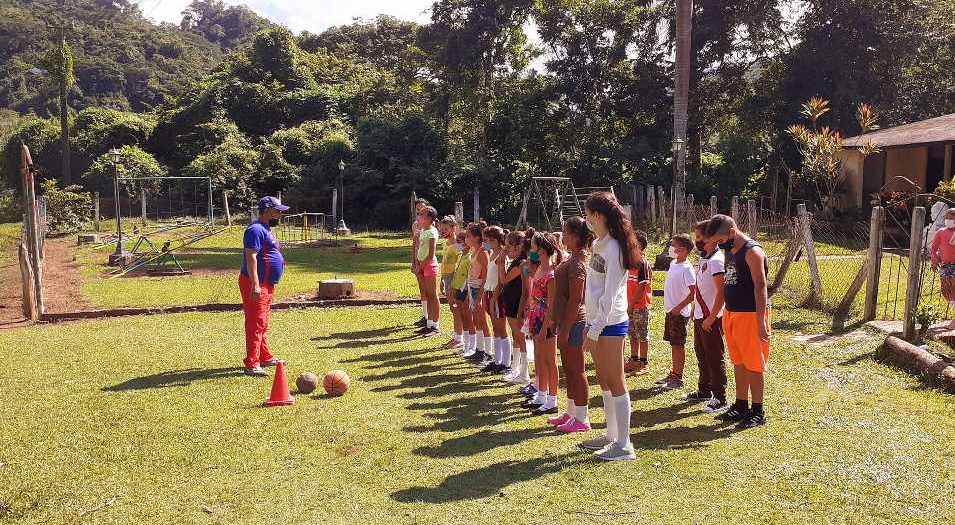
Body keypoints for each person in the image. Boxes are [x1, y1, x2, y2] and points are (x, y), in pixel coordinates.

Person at [579, 192, 639, 461]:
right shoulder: (598, 244)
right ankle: (611, 434)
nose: (586, 219)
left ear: (598, 216)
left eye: (588, 213)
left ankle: (624, 444)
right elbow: (593, 288)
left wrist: (594, 329)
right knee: (603, 379)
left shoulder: (614, 247)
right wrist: (589, 323)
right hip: (596, 321)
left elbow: (611, 293)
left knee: (616, 380)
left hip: (610, 323)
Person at [705, 214, 770, 429]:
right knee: (738, 361)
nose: (719, 245)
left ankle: (758, 410)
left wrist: (761, 321)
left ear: (732, 232)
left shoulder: (752, 252)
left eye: (720, 241)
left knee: (753, 363)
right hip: (732, 314)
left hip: (750, 315)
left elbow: (760, 287)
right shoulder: (730, 250)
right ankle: (741, 404)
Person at [549, 216, 594, 433]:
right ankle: (570, 412)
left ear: (576, 236)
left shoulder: (579, 263)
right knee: (568, 368)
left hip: (574, 322)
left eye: (566, 232)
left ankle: (582, 418)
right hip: (565, 321)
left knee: (577, 370)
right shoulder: (572, 258)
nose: (563, 235)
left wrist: (566, 328)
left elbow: (576, 299)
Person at [239, 196, 288, 377]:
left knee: (263, 322)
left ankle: (264, 356)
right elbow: (251, 257)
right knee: (255, 323)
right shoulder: (255, 229)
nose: (280, 213)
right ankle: (252, 363)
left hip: (267, 283)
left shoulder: (266, 228)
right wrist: (255, 285)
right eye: (277, 210)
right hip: (256, 283)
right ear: (267, 211)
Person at [686, 220, 728, 413]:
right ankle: (704, 389)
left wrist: (712, 316)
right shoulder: (705, 258)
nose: (697, 241)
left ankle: (720, 397)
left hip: (711, 316)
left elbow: (721, 292)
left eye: (699, 237)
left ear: (711, 238)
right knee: (701, 354)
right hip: (700, 314)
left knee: (714, 356)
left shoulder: (717, 260)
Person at [522, 232, 563, 416]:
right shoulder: (539, 269)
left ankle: (552, 399)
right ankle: (541, 394)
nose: (531, 251)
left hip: (545, 320)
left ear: (543, 250)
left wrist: (545, 326)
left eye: (534, 247)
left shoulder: (551, 275)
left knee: (549, 360)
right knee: (539, 358)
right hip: (535, 317)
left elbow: (552, 304)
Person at [655, 234, 697, 390]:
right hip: (671, 311)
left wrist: (680, 307)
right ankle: (673, 373)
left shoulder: (687, 269)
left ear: (683, 250)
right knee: (673, 344)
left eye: (673, 245)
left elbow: (693, 292)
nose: (670, 247)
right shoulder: (673, 263)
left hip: (679, 313)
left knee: (678, 344)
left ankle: (678, 378)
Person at [501, 229, 532, 382]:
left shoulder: (521, 264)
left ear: (518, 247)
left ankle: (524, 372)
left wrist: (500, 262)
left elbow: (504, 279)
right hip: (512, 302)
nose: (505, 251)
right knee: (516, 336)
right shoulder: (516, 262)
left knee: (520, 336)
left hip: (517, 304)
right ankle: (515, 367)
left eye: (508, 247)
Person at [481, 226, 510, 372]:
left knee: (501, 328)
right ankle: (497, 360)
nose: (484, 243)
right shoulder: (492, 253)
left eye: (487, 240)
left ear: (495, 240)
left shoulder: (501, 256)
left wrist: (494, 298)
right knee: (495, 328)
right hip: (488, 291)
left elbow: (501, 280)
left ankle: (506, 363)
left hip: (496, 294)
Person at [624, 230, 652, 377]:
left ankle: (644, 363)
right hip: (629, 306)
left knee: (642, 335)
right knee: (632, 335)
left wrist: (632, 304)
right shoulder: (630, 263)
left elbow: (642, 287)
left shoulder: (643, 264)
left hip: (640, 306)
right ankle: (634, 360)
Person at [465, 222, 492, 363]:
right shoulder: (473, 251)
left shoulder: (483, 253)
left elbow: (485, 276)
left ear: (476, 238)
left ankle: (488, 352)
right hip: (472, 287)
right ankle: (480, 349)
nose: (466, 239)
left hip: (479, 289)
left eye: (468, 236)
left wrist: (481, 295)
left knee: (483, 320)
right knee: (476, 320)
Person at [414, 205, 441, 337]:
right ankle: (429, 324)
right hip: (423, 265)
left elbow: (431, 255)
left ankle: (435, 326)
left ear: (429, 218)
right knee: (428, 295)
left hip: (429, 266)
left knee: (433, 295)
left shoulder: (432, 232)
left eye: (421, 214)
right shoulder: (423, 231)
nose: (418, 216)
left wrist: (420, 266)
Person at [438, 216, 463, 349]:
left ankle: (459, 338)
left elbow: (462, 261)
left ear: (454, 228)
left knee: (456, 308)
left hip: (454, 278)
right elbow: (444, 263)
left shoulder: (458, 244)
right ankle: (456, 336)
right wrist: (441, 279)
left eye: (446, 229)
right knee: (452, 309)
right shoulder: (446, 243)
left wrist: (455, 282)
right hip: (446, 277)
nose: (443, 232)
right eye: (442, 229)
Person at [451, 231, 477, 356]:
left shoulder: (470, 257)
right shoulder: (462, 255)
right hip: (458, 289)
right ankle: (466, 345)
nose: (458, 245)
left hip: (465, 290)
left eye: (460, 242)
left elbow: (468, 276)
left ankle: (472, 346)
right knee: (462, 317)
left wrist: (466, 292)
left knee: (468, 318)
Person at [930, 208, 955, 328]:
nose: (949, 220)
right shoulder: (941, 232)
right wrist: (934, 259)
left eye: (952, 218)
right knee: (945, 291)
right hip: (945, 265)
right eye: (947, 218)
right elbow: (933, 248)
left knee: (954, 287)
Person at [410, 198, 430, 328]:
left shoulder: (430, 225)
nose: (419, 212)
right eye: (417, 210)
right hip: (418, 259)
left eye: (422, 209)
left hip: (426, 260)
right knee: (422, 289)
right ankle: (425, 315)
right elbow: (414, 243)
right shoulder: (415, 225)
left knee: (428, 289)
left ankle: (431, 318)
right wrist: (413, 261)